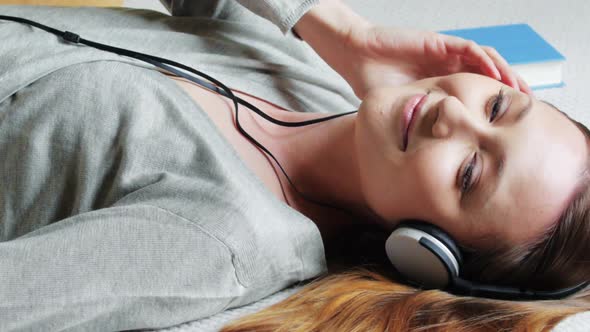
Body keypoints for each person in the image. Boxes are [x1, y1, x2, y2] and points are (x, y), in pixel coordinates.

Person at [0, 1, 587, 332]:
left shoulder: (226, 237)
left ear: (431, 253)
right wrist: (344, 33)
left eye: (469, 173)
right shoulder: (316, 80)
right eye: (496, 105)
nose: (452, 116)